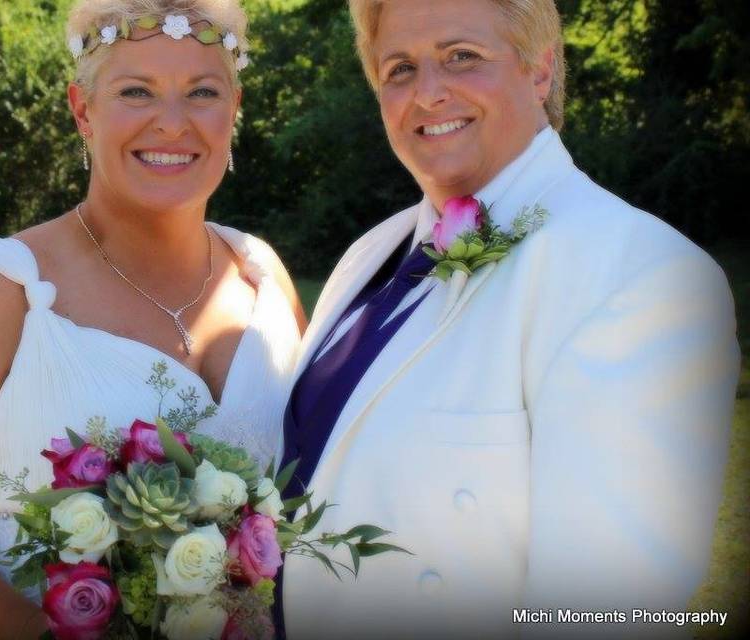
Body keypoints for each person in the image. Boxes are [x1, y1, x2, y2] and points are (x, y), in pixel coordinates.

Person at [278, 0, 740, 637]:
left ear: (540, 70)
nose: (430, 93)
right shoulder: (370, 254)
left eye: (462, 56)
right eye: (400, 69)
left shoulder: (639, 272)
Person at [0, 1, 306, 637]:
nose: (172, 123)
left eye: (202, 91)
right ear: (82, 110)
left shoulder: (263, 278)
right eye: (136, 91)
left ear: (234, 109)